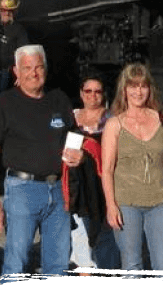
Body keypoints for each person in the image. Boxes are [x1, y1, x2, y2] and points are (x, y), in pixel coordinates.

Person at [0, 44, 84, 279]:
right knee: (16, 263)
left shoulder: (58, 99)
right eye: (27, 68)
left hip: (58, 191)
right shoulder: (4, 104)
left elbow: (74, 135)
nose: (34, 73)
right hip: (22, 190)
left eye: (38, 67)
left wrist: (78, 154)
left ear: (45, 69)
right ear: (16, 71)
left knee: (58, 264)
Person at [101, 63, 163, 274]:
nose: (138, 91)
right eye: (133, 86)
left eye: (143, 86)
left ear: (150, 89)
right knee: (132, 264)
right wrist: (111, 205)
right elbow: (106, 169)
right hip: (127, 203)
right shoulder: (115, 124)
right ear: (124, 89)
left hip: (160, 201)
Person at [69, 76, 120, 271]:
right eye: (88, 91)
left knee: (106, 230)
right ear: (81, 93)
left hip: (103, 181)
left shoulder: (112, 119)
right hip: (79, 183)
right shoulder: (71, 117)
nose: (93, 95)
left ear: (104, 94)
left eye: (97, 91)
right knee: (80, 229)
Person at [0, 0, 29, 104]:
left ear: (14, 12)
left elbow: (23, 53)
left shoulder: (19, 30)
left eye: (9, 11)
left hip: (8, 72)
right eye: (3, 10)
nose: (6, 13)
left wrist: (20, 73)